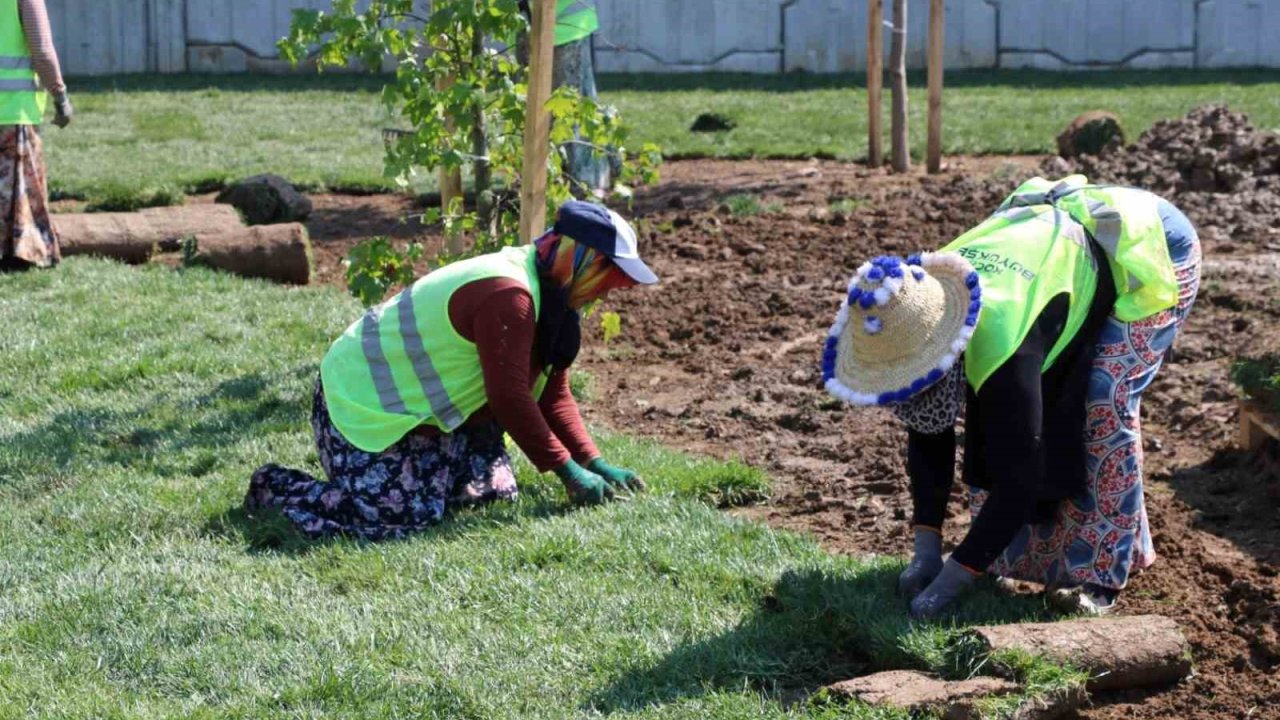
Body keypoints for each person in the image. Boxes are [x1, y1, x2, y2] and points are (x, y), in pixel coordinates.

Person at [822, 175, 1200, 618]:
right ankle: (1000, 556)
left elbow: (1022, 471)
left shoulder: (1004, 338)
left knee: (1101, 403)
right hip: (1050, 248)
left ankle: (1099, 574)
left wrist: (953, 579)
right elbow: (930, 431)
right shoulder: (916, 302)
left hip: (1146, 247)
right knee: (997, 424)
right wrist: (926, 546)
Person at [246, 201, 658, 540]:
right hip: (363, 406)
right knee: (402, 518)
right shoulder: (510, 294)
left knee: (491, 496)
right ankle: (276, 486)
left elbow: (551, 392)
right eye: (609, 276)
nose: (609, 291)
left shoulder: (554, 295)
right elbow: (510, 398)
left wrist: (594, 462)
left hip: (427, 416)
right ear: (581, 258)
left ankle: (424, 471)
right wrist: (567, 473)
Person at [1, 0, 71, 272]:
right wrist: (60, 96)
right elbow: (41, 50)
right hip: (12, 109)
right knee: (19, 188)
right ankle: (20, 253)